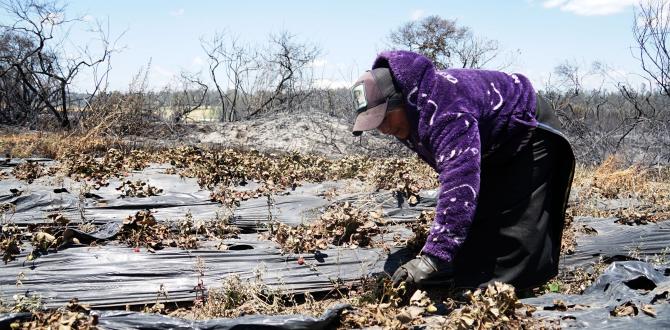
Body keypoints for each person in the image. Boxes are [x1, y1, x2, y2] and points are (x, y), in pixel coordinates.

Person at [351, 50, 575, 290]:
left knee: (515, 237)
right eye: (375, 124)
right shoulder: (407, 115)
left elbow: (459, 181)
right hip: (490, 142)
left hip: (527, 128)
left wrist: (433, 258)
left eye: (384, 118)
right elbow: (452, 170)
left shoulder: (445, 111)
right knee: (478, 226)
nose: (383, 129)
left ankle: (522, 296)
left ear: (401, 100)